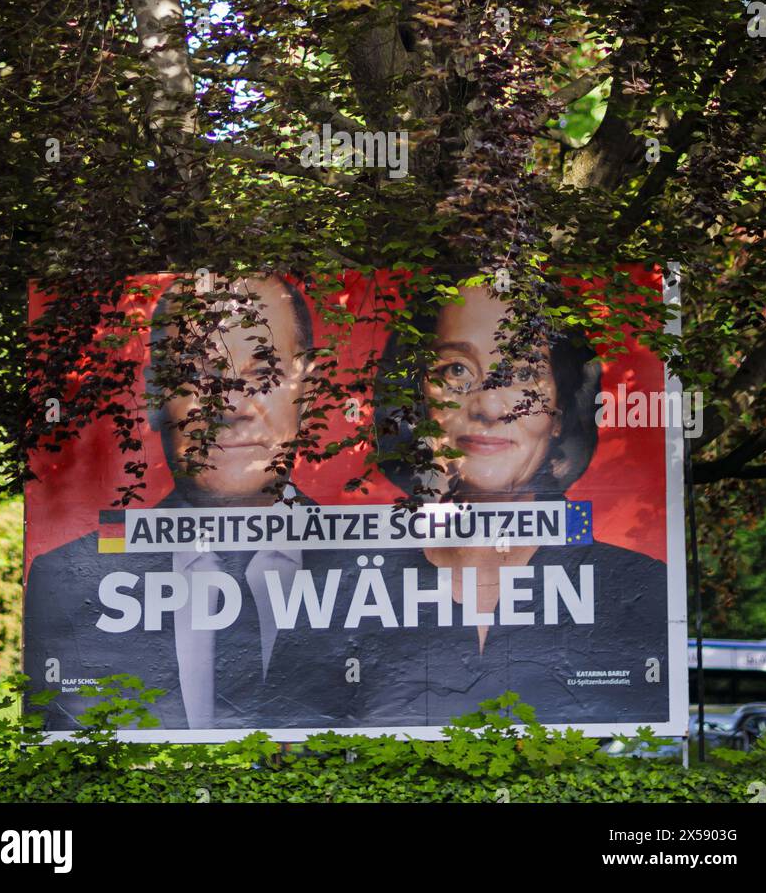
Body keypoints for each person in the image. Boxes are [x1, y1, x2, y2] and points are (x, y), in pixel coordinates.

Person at [271, 279, 670, 728]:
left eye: (523, 374)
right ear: (417, 401)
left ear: (559, 412)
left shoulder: (642, 591)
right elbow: (294, 743)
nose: (490, 406)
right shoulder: (333, 588)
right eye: (457, 370)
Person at [23, 273, 316, 732]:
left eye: (264, 374)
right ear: (156, 393)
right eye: (198, 375)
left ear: (309, 391)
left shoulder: (406, 576)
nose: (233, 406)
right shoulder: (65, 581)